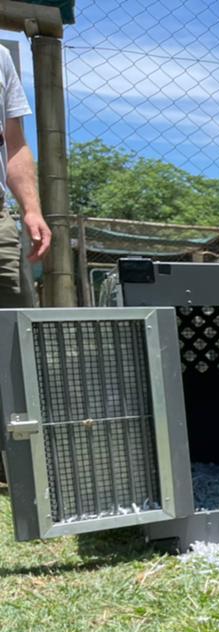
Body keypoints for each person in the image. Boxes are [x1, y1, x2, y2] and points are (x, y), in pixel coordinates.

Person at [0, 44, 51, 486]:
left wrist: (30, 209)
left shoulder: (0, 58)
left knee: (16, 330)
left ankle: (17, 460)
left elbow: (14, 143)